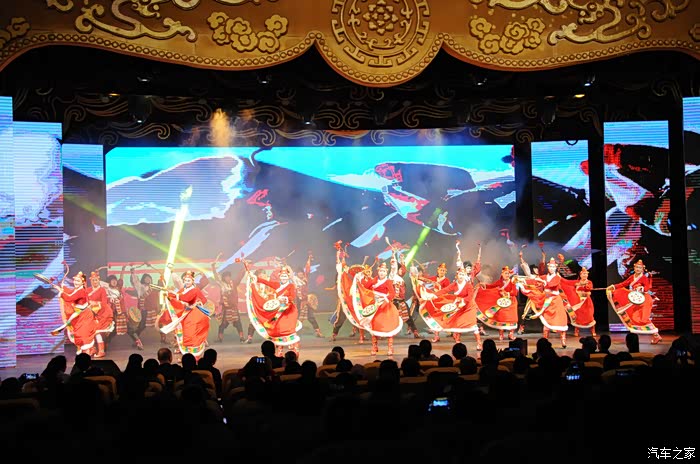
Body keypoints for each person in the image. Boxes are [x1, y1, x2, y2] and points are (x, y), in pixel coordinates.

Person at [413, 259, 483, 350]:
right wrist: (434, 295)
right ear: (457, 275)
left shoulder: (468, 285)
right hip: (459, 306)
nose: (461, 276)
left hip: (469, 307)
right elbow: (444, 290)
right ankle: (458, 342)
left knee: (473, 325)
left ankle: (479, 343)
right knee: (457, 324)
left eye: (462, 275)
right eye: (459, 274)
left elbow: (470, 297)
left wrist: (463, 300)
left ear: (465, 275)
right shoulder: (454, 284)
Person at [345, 260, 403, 357]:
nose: (382, 273)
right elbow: (365, 287)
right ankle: (374, 346)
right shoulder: (375, 280)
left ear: (386, 272)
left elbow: (392, 294)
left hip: (385, 306)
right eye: (380, 271)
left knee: (389, 327)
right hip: (375, 306)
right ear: (378, 271)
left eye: (384, 271)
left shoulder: (388, 281)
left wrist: (385, 298)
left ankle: (390, 347)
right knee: (374, 326)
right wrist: (358, 279)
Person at [245, 264, 302, 357]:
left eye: (285, 276)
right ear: (279, 277)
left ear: (288, 277)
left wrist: (286, 299)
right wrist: (254, 277)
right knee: (277, 329)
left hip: (289, 310)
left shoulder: (291, 286)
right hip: (279, 310)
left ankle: (296, 349)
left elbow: (292, 296)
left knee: (288, 330)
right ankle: (280, 350)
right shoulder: (277, 285)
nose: (283, 278)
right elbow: (266, 282)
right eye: (282, 276)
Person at [606, 259, 661, 344]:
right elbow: (623, 284)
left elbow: (647, 289)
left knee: (643, 319)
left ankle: (656, 335)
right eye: (637, 267)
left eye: (640, 268)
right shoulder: (632, 277)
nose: (638, 269)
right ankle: (655, 336)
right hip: (635, 299)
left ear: (642, 269)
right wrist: (613, 287)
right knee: (634, 316)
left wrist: (641, 288)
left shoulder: (644, 278)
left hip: (644, 299)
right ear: (634, 268)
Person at [519, 257, 569, 348]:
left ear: (555, 268)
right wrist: (523, 281)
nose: (551, 269)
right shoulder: (544, 277)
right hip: (546, 299)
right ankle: (545, 341)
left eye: (553, 267)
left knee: (561, 320)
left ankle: (563, 340)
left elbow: (552, 285)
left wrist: (543, 281)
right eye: (550, 267)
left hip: (555, 300)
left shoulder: (557, 277)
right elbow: (534, 281)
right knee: (546, 321)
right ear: (548, 267)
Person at [164, 270, 211, 359]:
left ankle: (196, 357)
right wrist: (169, 295)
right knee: (185, 335)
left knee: (193, 335)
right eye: (185, 280)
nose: (187, 282)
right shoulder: (183, 290)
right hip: (186, 315)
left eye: (189, 280)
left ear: (192, 281)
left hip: (195, 315)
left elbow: (196, 299)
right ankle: (186, 357)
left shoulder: (195, 290)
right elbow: (179, 298)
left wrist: (198, 303)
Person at [53, 271, 97, 355]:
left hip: (85, 316)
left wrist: (60, 291)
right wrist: (62, 287)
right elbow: (70, 292)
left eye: (78, 281)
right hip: (79, 315)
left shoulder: (81, 291)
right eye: (75, 280)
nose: (76, 282)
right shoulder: (76, 290)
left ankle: (87, 355)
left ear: (82, 282)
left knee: (83, 336)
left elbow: (69, 298)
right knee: (78, 335)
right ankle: (85, 353)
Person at [476, 265, 519, 341]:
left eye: (508, 273)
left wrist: (507, 293)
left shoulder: (512, 282)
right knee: (501, 317)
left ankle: (511, 334)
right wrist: (484, 285)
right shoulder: (500, 282)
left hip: (511, 302)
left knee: (512, 317)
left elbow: (515, 292)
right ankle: (501, 334)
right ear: (502, 274)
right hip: (501, 302)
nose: (507, 275)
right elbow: (491, 286)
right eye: (505, 273)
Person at [211, 255, 246, 343]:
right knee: (222, 324)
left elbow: (240, 276)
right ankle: (220, 338)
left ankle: (242, 337)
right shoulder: (222, 284)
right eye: (226, 277)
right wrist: (213, 267)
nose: (227, 278)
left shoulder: (234, 283)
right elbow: (216, 276)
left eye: (228, 276)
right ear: (223, 278)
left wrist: (244, 266)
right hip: (225, 308)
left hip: (233, 308)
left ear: (230, 277)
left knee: (238, 323)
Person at [389, 253, 421, 339]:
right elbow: (394, 267)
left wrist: (402, 260)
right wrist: (393, 255)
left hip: (401, 301)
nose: (402, 271)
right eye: (399, 269)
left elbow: (403, 269)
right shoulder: (392, 276)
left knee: (408, 317)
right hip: (394, 301)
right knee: (391, 317)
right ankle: (387, 333)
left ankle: (415, 331)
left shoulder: (401, 278)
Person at [560, 266, 597, 337]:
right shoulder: (576, 282)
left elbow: (589, 288)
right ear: (580, 275)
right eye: (583, 274)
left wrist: (582, 286)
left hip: (587, 301)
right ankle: (576, 330)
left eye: (586, 274)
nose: (585, 275)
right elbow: (567, 282)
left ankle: (593, 331)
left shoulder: (589, 282)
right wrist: (560, 278)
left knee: (589, 316)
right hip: (578, 301)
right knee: (578, 316)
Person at [296, 252, 324, 338]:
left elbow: (307, 269)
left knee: (311, 317)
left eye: (301, 272)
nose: (300, 274)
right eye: (299, 273)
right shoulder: (295, 280)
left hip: (306, 301)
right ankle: (293, 333)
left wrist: (309, 259)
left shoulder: (305, 279)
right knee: (296, 318)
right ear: (297, 274)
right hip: (297, 302)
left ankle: (318, 332)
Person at [88, 271, 114, 358]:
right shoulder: (88, 290)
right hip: (92, 314)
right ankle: (93, 349)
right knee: (89, 331)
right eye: (93, 280)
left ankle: (101, 350)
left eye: (96, 280)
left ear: (98, 280)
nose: (95, 282)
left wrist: (94, 303)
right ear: (91, 281)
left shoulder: (102, 290)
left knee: (96, 331)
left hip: (103, 313)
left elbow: (104, 303)